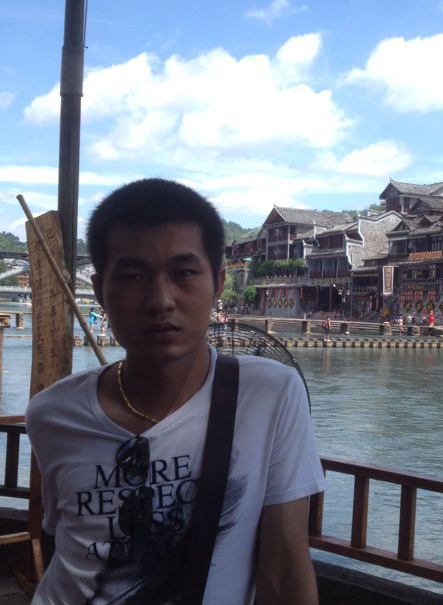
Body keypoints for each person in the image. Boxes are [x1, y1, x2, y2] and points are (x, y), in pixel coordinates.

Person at [26, 179, 325, 604]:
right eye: (132, 276)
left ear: (218, 283)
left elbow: (285, 572)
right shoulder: (52, 413)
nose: (160, 300)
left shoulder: (268, 395)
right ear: (100, 291)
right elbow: (72, 544)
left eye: (183, 273)